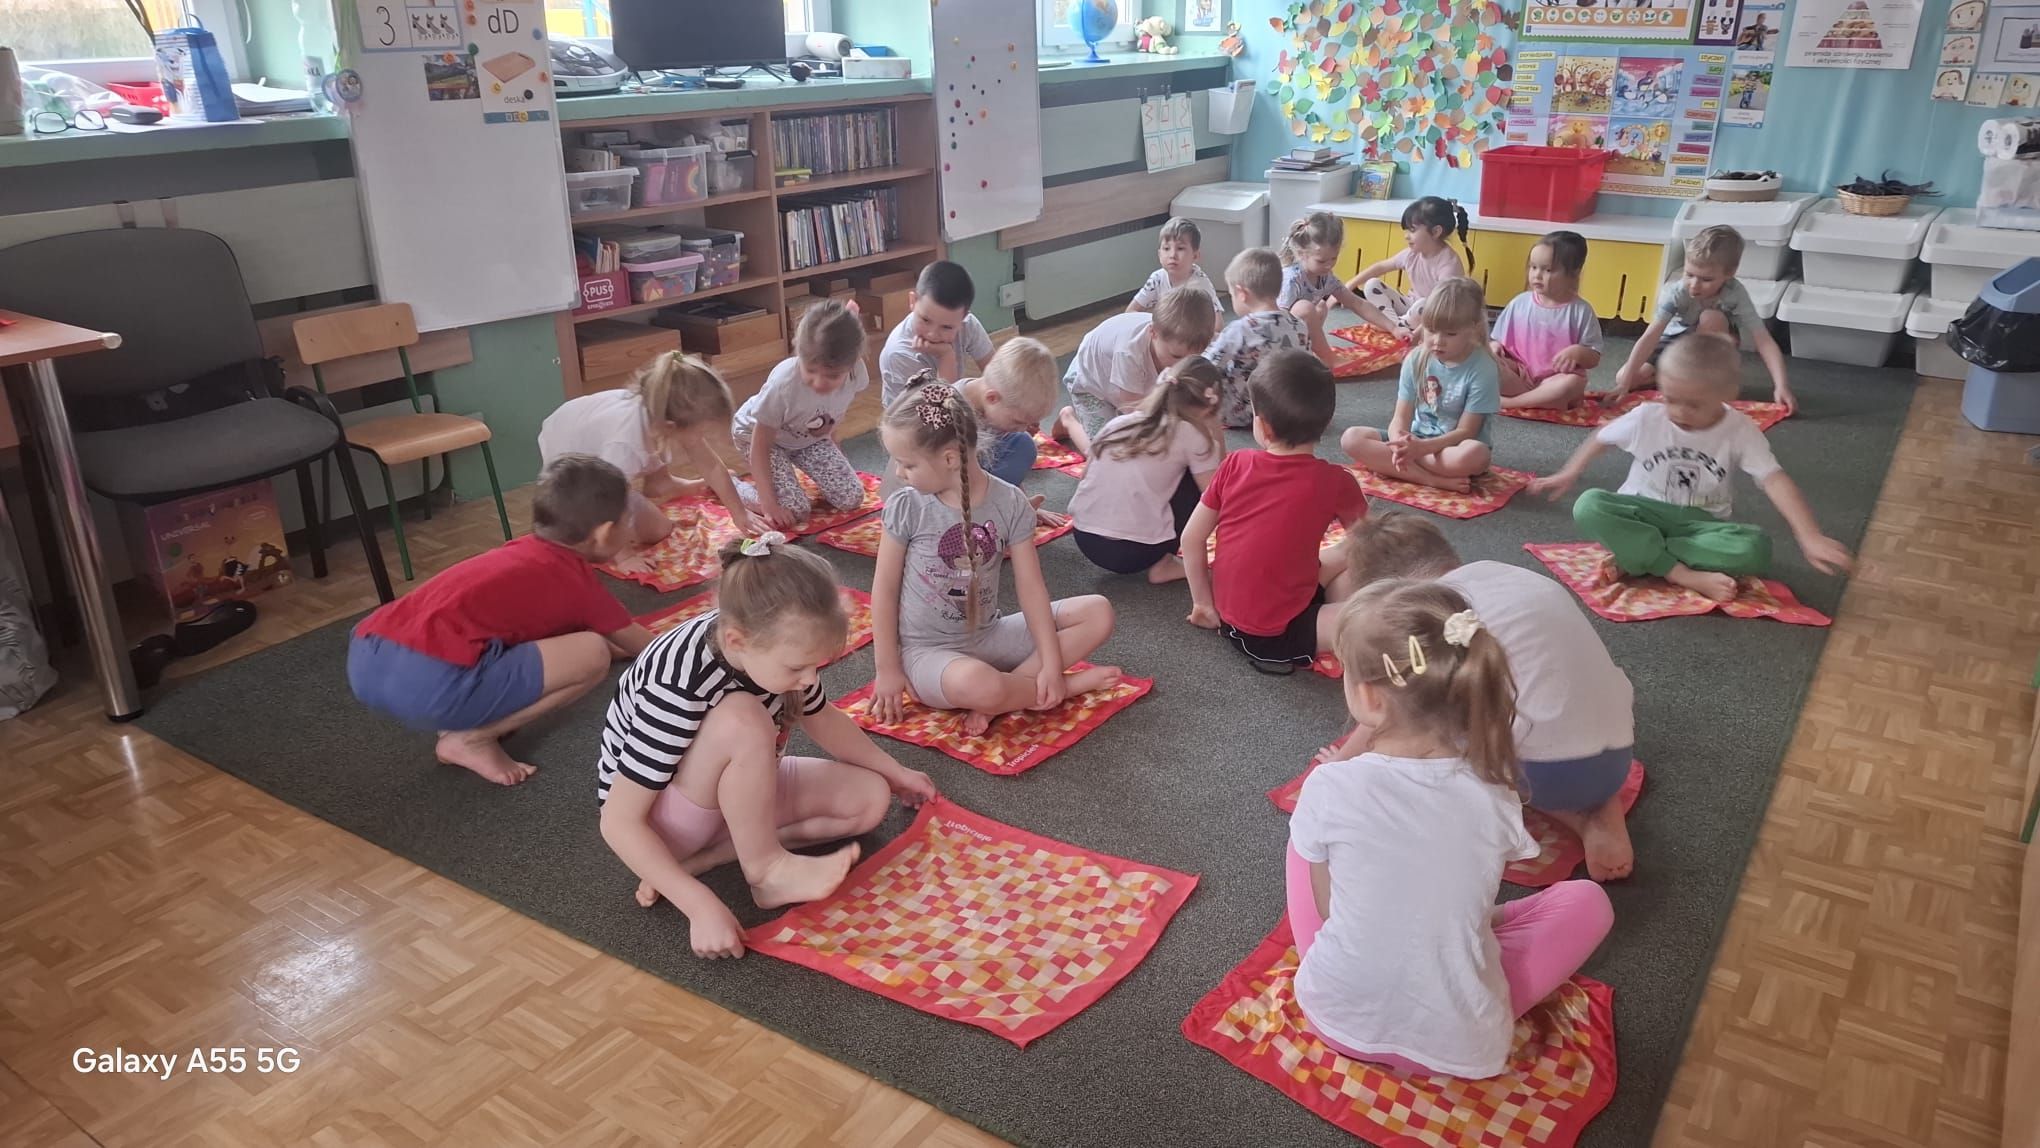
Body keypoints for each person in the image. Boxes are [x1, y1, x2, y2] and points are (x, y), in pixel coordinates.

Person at [1289, 580, 1614, 1078]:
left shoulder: (1330, 785)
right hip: (1461, 1046)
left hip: (1335, 1017)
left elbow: (1332, 908)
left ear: (1369, 697)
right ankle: (1466, 932)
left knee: (1305, 842)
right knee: (1589, 902)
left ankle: (1449, 931)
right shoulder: (1496, 796)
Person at [597, 535, 937, 959]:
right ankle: (764, 868)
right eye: (797, 668)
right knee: (744, 716)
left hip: (738, 795)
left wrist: (896, 773)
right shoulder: (678, 681)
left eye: (815, 666)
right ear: (736, 641)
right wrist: (699, 906)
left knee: (869, 799)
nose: (809, 679)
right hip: (664, 823)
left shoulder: (771, 643)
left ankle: (716, 857)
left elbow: (821, 716)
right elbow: (618, 821)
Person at [1327, 513, 1639, 879]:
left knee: (1419, 732)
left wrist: (1340, 766)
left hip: (1545, 774)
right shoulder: (1506, 572)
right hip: (1617, 752)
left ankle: (1576, 816)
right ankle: (1598, 807)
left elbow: (1400, 711)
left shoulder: (1427, 621)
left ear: (1389, 594)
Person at [348, 455, 654, 786]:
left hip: (367, 655)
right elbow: (648, 648)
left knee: (580, 643)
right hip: (430, 684)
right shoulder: (575, 581)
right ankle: (472, 739)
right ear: (604, 533)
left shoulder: (523, 553)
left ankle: (463, 714)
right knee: (593, 655)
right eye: (628, 520)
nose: (631, 528)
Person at [873, 382, 1120, 736]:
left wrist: (1051, 663)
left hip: (991, 634)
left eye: (907, 464)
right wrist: (887, 669)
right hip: (928, 654)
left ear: (949, 459)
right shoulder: (907, 505)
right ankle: (1055, 690)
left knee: (1098, 611)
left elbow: (1031, 588)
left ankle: (1013, 690)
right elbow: (883, 591)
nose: (899, 474)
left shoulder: (1010, 502)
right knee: (980, 684)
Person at [1530, 336, 1852, 602]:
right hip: (1640, 511)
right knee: (1589, 505)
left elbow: (1774, 479)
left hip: (1699, 525)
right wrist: (1570, 472)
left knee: (1756, 548)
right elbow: (1602, 438)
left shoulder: (1739, 429)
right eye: (1670, 398)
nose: (1679, 412)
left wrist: (1809, 535)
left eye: (1694, 404)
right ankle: (1679, 572)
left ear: (1728, 395)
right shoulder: (1647, 417)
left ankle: (1640, 554)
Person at [1182, 349, 1366, 672]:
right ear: (1326, 423)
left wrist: (1203, 603)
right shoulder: (1337, 481)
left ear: (1262, 427)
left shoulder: (1235, 464)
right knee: (1369, 609)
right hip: (1276, 634)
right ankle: (1335, 614)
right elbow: (1371, 541)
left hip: (1231, 615)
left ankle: (1329, 609)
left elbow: (1191, 539)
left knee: (1343, 556)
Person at [538, 351, 762, 556]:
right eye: (701, 432)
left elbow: (711, 465)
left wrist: (739, 513)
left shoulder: (659, 414)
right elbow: (610, 501)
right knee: (640, 530)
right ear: (671, 425)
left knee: (658, 523)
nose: (702, 438)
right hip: (571, 463)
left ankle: (662, 482)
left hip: (595, 435)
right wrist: (623, 556)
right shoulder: (624, 447)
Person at [1069, 357, 1225, 584]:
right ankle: (1163, 563)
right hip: (1138, 553)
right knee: (1199, 477)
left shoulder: (1119, 422)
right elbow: (1216, 496)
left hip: (1085, 538)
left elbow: (1087, 474)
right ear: (1210, 405)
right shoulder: (1192, 435)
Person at [1612, 224, 1796, 414]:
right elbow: (1651, 336)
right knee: (1624, 377)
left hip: (1712, 344)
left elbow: (1763, 340)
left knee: (1711, 317)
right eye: (1689, 274)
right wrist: (1624, 384)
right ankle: (1675, 375)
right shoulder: (1677, 293)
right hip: (1674, 342)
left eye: (1706, 279)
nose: (1694, 285)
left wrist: (1781, 386)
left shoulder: (1735, 293)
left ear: (1729, 274)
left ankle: (1701, 379)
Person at [1341, 278, 1501, 492]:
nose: (1438, 341)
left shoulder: (1483, 368)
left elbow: (1466, 431)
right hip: (1417, 441)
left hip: (1453, 448)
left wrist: (1418, 450)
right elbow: (1400, 418)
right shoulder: (1416, 359)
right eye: (1431, 330)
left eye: (1450, 334)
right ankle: (1431, 479)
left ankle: (1401, 466)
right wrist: (1400, 443)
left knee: (1476, 456)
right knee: (1351, 439)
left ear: (1473, 328)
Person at [732, 299, 871, 529]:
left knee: (851, 497)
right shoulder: (784, 385)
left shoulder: (856, 375)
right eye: (811, 370)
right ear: (798, 352)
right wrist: (768, 504)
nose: (819, 383)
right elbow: (760, 445)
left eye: (832, 376)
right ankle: (732, 486)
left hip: (805, 438)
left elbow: (834, 415)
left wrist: (836, 456)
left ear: (853, 363)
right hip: (756, 436)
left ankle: (786, 476)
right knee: (794, 510)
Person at [1054, 286, 1218, 453]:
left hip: (1124, 382)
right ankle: (1069, 420)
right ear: (1153, 333)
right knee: (1105, 453)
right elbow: (1132, 413)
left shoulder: (1173, 341)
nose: (1183, 365)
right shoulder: (1129, 352)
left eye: (1191, 358)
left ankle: (1085, 418)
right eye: (1176, 356)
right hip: (1090, 383)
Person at [1491, 230, 1605, 411]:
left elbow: (1593, 358)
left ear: (1573, 273)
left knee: (1573, 382)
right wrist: (1495, 347)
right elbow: (1498, 342)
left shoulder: (1581, 311)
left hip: (1555, 379)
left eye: (1548, 270)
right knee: (1485, 360)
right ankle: (1539, 400)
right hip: (1519, 374)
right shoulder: (1519, 303)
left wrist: (1578, 352)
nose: (1537, 275)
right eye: (1533, 267)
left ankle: (1512, 402)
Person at [1203, 247, 1312, 429]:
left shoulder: (1240, 329)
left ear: (1242, 293)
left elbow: (1208, 365)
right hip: (1286, 408)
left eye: (1231, 295)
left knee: (1208, 365)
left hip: (1242, 412)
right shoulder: (1299, 324)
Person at [1277, 211, 1406, 360]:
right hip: (1275, 337)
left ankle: (1307, 350)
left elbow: (1357, 303)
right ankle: (1318, 357)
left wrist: (1394, 328)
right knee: (1306, 308)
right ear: (1301, 254)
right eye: (1321, 261)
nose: (1329, 265)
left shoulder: (1326, 277)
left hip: (1294, 330)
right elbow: (1276, 321)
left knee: (1321, 307)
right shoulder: (1291, 280)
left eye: (1334, 258)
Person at [878, 260, 998, 407]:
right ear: (913, 301)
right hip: (913, 417)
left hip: (946, 405)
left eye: (946, 327)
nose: (932, 334)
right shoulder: (899, 353)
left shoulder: (967, 325)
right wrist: (945, 356)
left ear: (963, 318)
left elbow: (996, 374)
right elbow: (943, 411)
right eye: (925, 320)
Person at [1346, 196, 1474, 330]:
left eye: (1412, 230)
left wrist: (1418, 334)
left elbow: (1442, 306)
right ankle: (1394, 324)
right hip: (1412, 306)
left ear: (1436, 232)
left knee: (1423, 305)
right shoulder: (1413, 254)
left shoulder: (1449, 264)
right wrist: (1349, 286)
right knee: (1372, 284)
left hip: (1436, 315)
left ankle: (1394, 325)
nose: (1406, 236)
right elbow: (1380, 267)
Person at [1127, 216, 1224, 317]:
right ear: (1159, 255)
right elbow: (1130, 311)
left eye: (1180, 248)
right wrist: (1152, 322)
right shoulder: (1157, 279)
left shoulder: (1201, 285)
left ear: (1195, 256)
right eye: (1166, 248)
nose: (1172, 255)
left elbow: (1217, 323)